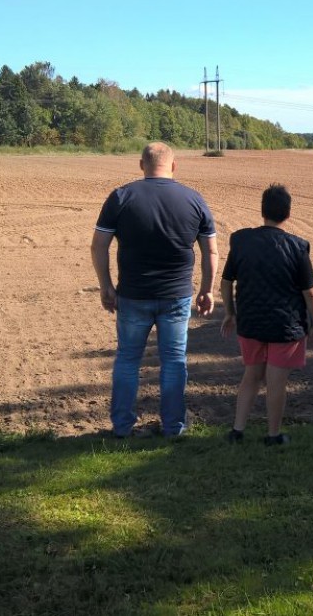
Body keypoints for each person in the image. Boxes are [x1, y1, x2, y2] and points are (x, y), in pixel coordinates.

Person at [91, 142, 218, 438]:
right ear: (174, 166)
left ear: (141, 165)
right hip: (177, 295)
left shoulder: (121, 196)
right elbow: (211, 251)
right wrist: (208, 289)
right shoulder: (193, 199)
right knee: (173, 361)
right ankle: (173, 427)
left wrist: (106, 285)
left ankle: (122, 427)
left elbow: (98, 245)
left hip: (132, 295)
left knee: (127, 359)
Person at [220, 184, 313, 445]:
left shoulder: (240, 241)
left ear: (262, 211)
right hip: (285, 327)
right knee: (276, 383)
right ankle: (273, 435)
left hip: (250, 323)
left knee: (251, 376)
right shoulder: (298, 247)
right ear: (288, 213)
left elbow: (226, 281)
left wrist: (230, 313)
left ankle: (237, 431)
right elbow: (310, 294)